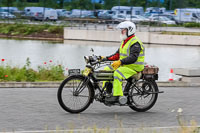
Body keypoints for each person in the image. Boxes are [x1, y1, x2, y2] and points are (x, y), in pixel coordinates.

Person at [102, 21, 145, 102]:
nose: (121, 32)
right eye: (121, 30)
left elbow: (133, 58)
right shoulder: (124, 41)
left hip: (134, 67)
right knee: (107, 69)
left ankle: (117, 96)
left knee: (117, 73)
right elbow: (117, 55)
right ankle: (107, 92)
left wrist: (120, 62)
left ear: (130, 30)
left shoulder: (135, 43)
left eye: (124, 30)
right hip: (125, 66)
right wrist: (105, 58)